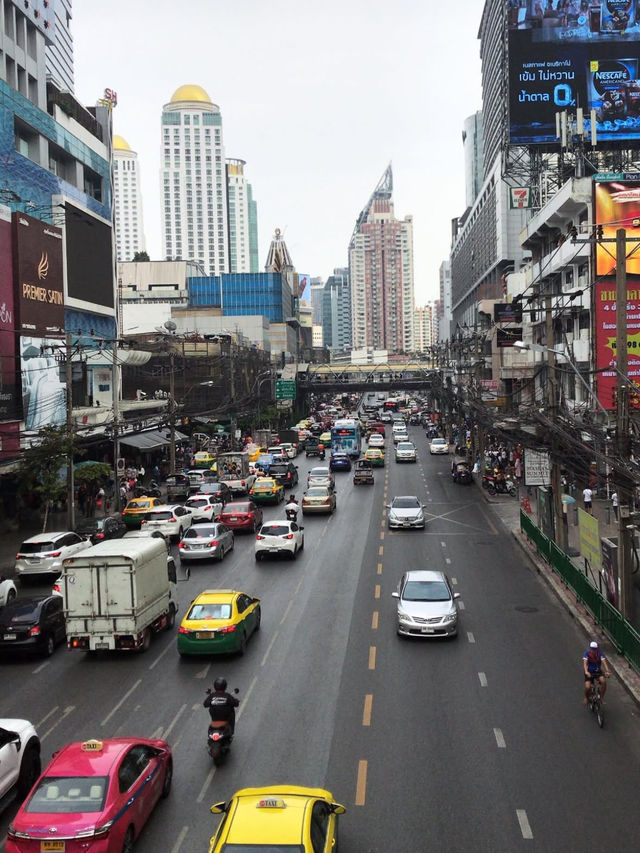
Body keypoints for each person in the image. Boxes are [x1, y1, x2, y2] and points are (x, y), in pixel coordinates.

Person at [583, 640, 611, 706]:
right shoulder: (586, 653)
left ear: (597, 649)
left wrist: (607, 671)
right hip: (589, 672)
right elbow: (585, 663)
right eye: (592, 649)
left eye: (595, 649)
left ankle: (601, 697)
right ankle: (587, 698)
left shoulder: (600, 654)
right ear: (590, 648)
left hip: (597, 672)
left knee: (603, 681)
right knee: (587, 687)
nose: (593, 650)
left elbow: (604, 662)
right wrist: (586, 672)